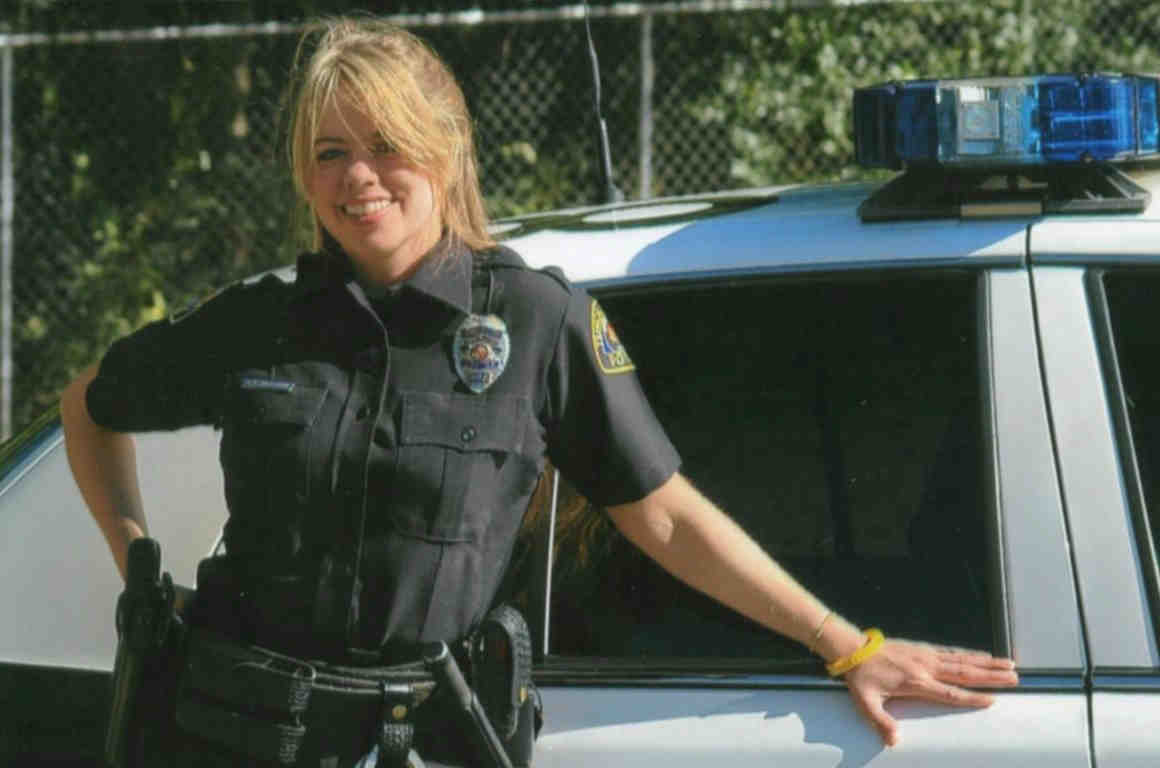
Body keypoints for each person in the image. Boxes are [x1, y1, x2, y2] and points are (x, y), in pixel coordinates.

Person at [59, 15, 1017, 768]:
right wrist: (137, 562)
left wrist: (844, 644)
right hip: (228, 740)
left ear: (444, 150)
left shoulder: (535, 324)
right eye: (328, 153)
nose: (358, 178)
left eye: (385, 143)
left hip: (413, 746)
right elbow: (88, 406)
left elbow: (668, 517)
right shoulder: (254, 320)